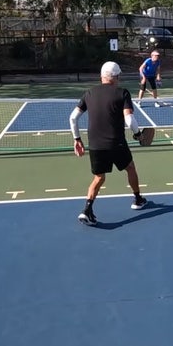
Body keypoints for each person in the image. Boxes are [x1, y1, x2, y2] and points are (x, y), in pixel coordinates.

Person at [69, 61, 148, 225]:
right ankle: (138, 199)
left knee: (99, 178)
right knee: (130, 167)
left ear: (101, 76)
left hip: (96, 145)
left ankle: (86, 209)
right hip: (117, 143)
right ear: (117, 77)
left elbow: (73, 118)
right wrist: (138, 134)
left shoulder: (89, 93)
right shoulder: (122, 93)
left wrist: (77, 139)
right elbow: (129, 119)